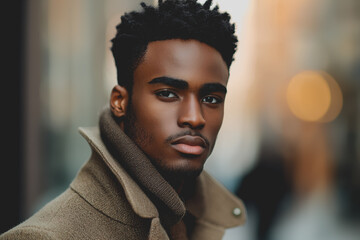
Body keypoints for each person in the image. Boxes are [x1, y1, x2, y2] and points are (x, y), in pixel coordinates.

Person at [1, 0, 246, 239]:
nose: (194, 117)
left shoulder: (196, 220)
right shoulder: (45, 236)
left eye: (211, 99)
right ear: (120, 102)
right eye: (168, 94)